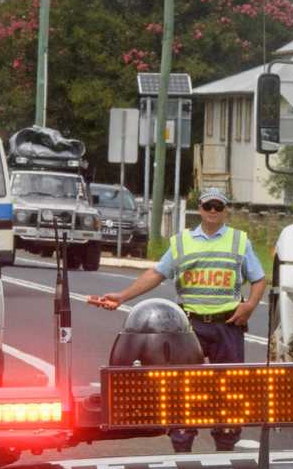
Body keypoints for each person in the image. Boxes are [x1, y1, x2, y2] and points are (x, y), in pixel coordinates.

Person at [89, 187, 266, 452]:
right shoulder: (182, 242)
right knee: (184, 387)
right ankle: (182, 445)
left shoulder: (240, 241)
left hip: (227, 324)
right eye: (209, 206)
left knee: (229, 388)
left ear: (226, 209)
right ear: (201, 210)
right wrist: (123, 297)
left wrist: (249, 306)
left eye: (219, 206)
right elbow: (156, 274)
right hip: (189, 326)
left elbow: (259, 279)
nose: (214, 212)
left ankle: (226, 446)